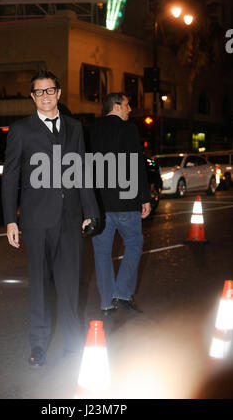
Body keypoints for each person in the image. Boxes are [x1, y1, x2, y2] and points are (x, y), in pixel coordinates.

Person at [2, 70, 99, 367]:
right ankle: (39, 344)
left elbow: (82, 171)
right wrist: (10, 219)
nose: (45, 96)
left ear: (58, 93)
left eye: (50, 90)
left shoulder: (75, 128)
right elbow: (11, 178)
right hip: (36, 220)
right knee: (41, 286)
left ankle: (73, 341)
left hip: (70, 219)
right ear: (32, 97)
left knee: (70, 285)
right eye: (39, 92)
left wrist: (90, 211)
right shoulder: (21, 130)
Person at [90, 92, 151, 316]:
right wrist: (144, 196)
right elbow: (136, 163)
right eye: (127, 105)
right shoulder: (129, 129)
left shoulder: (93, 130)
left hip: (101, 204)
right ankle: (123, 293)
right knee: (134, 244)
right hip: (126, 202)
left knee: (102, 253)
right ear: (116, 106)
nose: (130, 109)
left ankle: (106, 303)